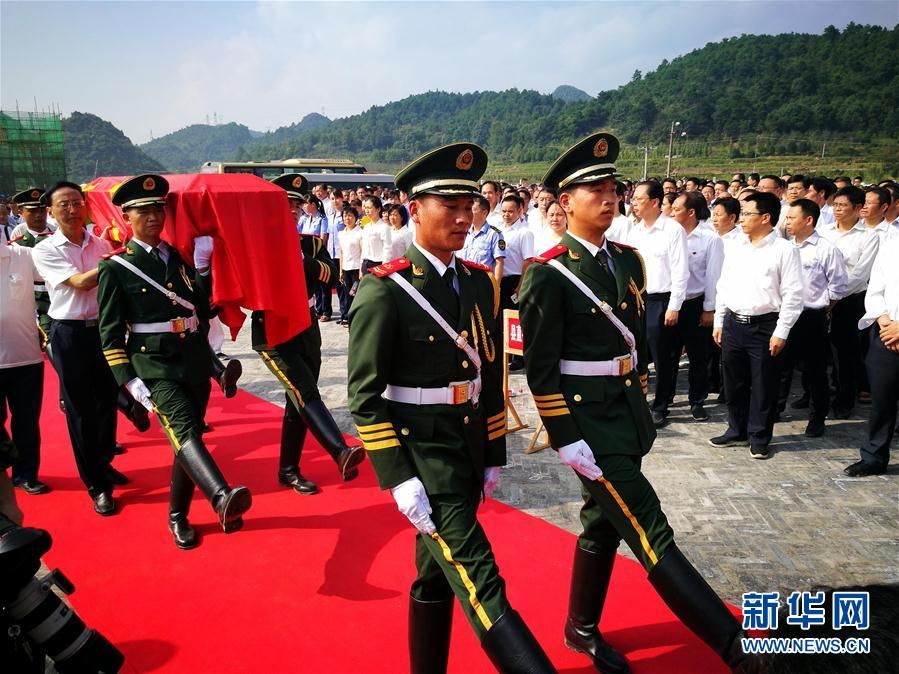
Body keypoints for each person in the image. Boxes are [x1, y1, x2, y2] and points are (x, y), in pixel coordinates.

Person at [520, 132, 749, 674]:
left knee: (602, 523)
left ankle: (580, 628)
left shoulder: (627, 261)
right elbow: (541, 367)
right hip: (587, 425)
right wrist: (564, 434)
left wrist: (640, 389)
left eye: (612, 187)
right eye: (592, 188)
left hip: (624, 413)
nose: (608, 196)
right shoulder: (547, 274)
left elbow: (635, 345)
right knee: (650, 527)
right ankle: (737, 648)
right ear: (564, 203)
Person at [347, 142, 554, 673]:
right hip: (423, 454)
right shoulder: (385, 290)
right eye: (450, 206)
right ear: (415, 209)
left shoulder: (478, 282)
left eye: (470, 207)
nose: (465, 218)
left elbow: (487, 374)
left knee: (434, 572)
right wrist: (396, 476)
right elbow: (364, 399)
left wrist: (491, 453)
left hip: (463, 446)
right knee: (481, 577)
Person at [97, 174, 252, 548]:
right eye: (143, 211)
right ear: (126, 218)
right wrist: (129, 381)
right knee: (184, 429)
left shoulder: (177, 256)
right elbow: (110, 334)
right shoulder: (115, 268)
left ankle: (177, 514)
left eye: (157, 209)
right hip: (154, 366)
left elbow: (199, 308)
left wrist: (203, 269)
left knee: (188, 438)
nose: (153, 216)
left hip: (192, 361)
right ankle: (220, 495)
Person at [260, 174, 365, 495]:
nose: (292, 210)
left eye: (296, 204)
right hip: (273, 328)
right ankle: (339, 450)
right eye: (285, 205)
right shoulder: (259, 244)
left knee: (298, 401)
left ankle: (288, 469)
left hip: (306, 325)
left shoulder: (311, 243)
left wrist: (303, 261)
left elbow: (330, 274)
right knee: (305, 391)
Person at [31, 182, 120, 515]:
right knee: (81, 409)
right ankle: (97, 485)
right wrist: (121, 261)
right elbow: (81, 283)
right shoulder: (46, 249)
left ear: (85, 206)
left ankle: (105, 462)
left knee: (107, 403)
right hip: (69, 334)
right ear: (52, 212)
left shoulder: (100, 243)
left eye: (76, 202)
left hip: (104, 332)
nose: (71, 209)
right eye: (63, 205)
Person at [711, 191, 804, 459]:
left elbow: (793, 295)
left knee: (763, 384)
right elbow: (723, 285)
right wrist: (720, 319)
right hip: (733, 323)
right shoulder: (737, 246)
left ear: (766, 218)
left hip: (765, 326)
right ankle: (736, 429)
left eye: (747, 214)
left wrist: (781, 332)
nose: (741, 220)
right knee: (734, 381)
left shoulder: (784, 250)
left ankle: (760, 435)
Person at [618, 180, 689, 428]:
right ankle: (638, 401)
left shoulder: (672, 230)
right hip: (636, 298)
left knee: (663, 357)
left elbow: (681, 271)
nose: (633, 203)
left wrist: (675, 306)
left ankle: (661, 405)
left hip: (662, 300)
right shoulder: (633, 230)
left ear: (655, 202)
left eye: (638, 199)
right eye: (633, 199)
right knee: (636, 353)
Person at [778, 199, 848, 437]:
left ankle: (817, 417)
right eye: (786, 218)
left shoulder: (826, 249)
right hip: (785, 315)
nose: (787, 223)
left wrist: (824, 308)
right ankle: (775, 409)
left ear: (808, 220)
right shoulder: (785, 247)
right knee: (780, 366)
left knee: (815, 370)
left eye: (791, 218)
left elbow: (838, 286)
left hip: (811, 317)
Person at [818, 186, 879, 418]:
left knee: (845, 353)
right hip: (820, 298)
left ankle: (845, 399)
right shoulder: (823, 233)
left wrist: (833, 299)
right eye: (836, 205)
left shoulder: (869, 237)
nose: (838, 210)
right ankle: (816, 396)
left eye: (843, 206)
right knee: (818, 352)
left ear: (858, 208)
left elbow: (860, 274)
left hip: (850, 301)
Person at [845, 235, 899, 476]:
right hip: (886, 333)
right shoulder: (891, 244)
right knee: (882, 400)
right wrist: (886, 323)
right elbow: (875, 290)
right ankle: (874, 456)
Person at [669, 191, 724, 421]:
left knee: (697, 357)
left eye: (676, 209)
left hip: (695, 304)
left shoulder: (710, 239)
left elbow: (713, 276)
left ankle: (697, 400)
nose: (671, 212)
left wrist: (709, 309)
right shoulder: (669, 234)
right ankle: (664, 400)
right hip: (671, 303)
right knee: (668, 356)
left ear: (691, 212)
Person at [1, 233, 47, 495]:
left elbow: (57, 274)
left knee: (27, 422)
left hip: (24, 358)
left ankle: (26, 474)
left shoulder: (22, 256)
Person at [7, 188, 55, 346]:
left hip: (59, 299)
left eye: (42, 210)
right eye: (32, 211)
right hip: (32, 304)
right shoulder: (16, 245)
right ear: (20, 211)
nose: (39, 215)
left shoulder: (60, 237)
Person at [460, 195, 505, 279]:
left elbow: (499, 262)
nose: (468, 213)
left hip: (483, 282)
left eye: (472, 210)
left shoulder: (494, 234)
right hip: (463, 281)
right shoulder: (464, 232)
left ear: (484, 213)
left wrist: (496, 287)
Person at [336, 205, 363, 326]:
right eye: (345, 216)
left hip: (356, 269)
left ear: (355, 217)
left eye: (350, 215)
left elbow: (363, 252)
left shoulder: (360, 232)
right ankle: (350, 317)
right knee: (348, 294)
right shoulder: (341, 233)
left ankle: (358, 318)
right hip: (346, 268)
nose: (347, 218)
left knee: (356, 294)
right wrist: (341, 270)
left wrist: (361, 270)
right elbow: (341, 253)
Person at [360, 196, 390, 274]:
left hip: (378, 264)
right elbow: (364, 248)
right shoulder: (366, 227)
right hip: (365, 264)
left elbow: (387, 249)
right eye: (365, 207)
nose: (367, 210)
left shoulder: (384, 227)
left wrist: (384, 269)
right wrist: (361, 266)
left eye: (369, 208)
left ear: (378, 209)